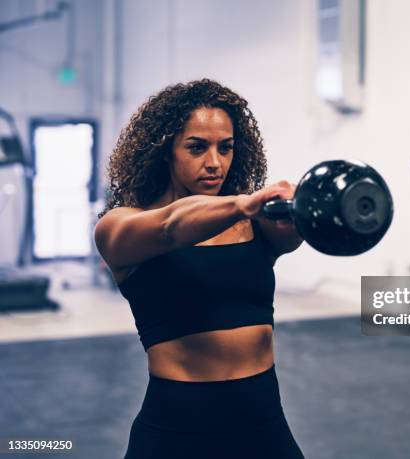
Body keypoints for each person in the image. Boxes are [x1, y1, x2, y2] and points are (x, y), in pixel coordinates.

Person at [94, 78, 306, 458]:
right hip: (178, 429)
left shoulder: (253, 225)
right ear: (164, 152)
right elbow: (172, 225)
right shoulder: (121, 226)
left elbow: (295, 235)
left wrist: (305, 207)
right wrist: (244, 203)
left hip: (264, 424)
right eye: (196, 147)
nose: (214, 163)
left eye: (225, 148)